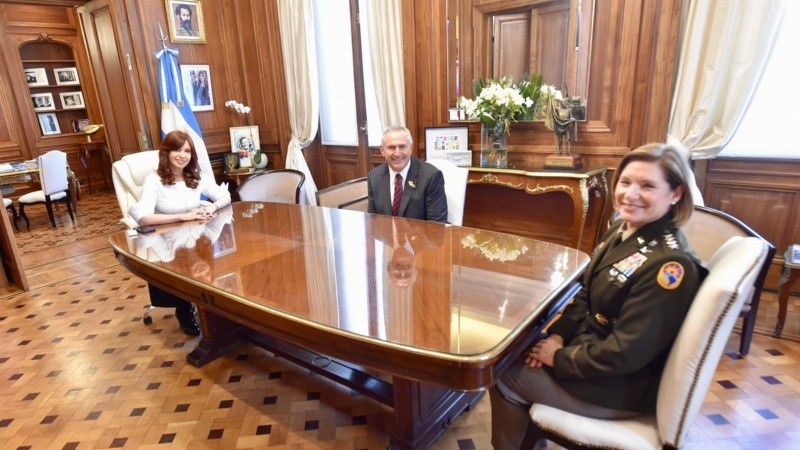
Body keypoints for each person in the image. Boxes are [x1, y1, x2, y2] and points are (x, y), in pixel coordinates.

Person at [489, 143, 708, 449]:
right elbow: (587, 293)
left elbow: (627, 352)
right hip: (592, 358)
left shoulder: (670, 266)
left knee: (503, 372)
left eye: (647, 186)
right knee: (524, 348)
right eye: (625, 182)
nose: (630, 195)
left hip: (616, 389)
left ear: (676, 194)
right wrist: (557, 337)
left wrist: (560, 359)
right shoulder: (623, 228)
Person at [129, 130, 231, 335]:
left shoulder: (196, 176)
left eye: (187, 151)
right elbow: (144, 217)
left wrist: (211, 208)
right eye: (177, 150)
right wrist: (182, 217)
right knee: (183, 269)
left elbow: (225, 196)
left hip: (195, 235)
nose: (182, 155)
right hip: (166, 240)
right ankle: (183, 307)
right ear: (166, 152)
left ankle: (212, 310)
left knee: (206, 266)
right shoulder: (154, 180)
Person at [367, 125, 448, 222]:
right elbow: (372, 220)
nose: (397, 153)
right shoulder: (374, 177)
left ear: (411, 148)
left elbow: (437, 225)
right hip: (386, 236)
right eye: (391, 148)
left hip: (419, 236)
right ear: (382, 151)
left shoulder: (431, 176)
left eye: (402, 147)